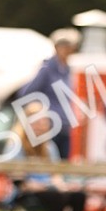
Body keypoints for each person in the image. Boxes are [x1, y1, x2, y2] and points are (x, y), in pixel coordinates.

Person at [10, 104, 89, 211]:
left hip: (49, 189)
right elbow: (18, 180)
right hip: (27, 193)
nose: (40, 126)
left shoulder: (50, 146)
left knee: (78, 195)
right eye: (36, 123)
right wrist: (46, 186)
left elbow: (55, 175)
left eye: (43, 122)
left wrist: (64, 186)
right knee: (55, 196)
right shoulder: (16, 146)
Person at [16, 28, 81, 159]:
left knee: (63, 167)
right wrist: (41, 111)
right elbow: (25, 93)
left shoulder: (67, 70)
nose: (68, 50)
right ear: (57, 47)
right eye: (64, 46)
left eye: (70, 46)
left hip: (64, 126)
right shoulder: (47, 69)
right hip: (49, 127)